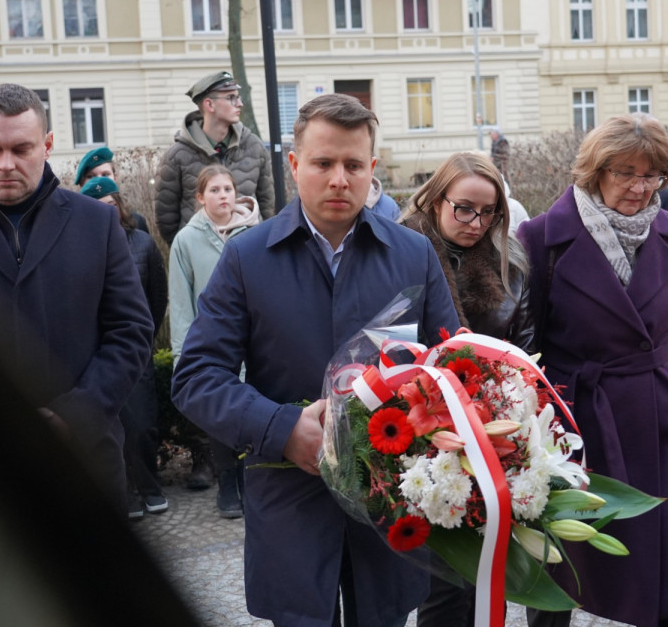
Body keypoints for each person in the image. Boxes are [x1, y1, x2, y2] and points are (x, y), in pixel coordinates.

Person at [171, 93, 460, 627]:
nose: (339, 180)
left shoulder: (413, 254)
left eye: (354, 165)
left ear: (372, 168)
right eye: (323, 163)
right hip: (292, 499)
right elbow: (196, 377)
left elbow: (453, 369)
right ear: (294, 164)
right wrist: (281, 428)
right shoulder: (247, 257)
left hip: (389, 505)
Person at [0, 84, 154, 506]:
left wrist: (73, 416)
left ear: (47, 145)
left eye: (21, 149)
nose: (6, 164)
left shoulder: (97, 223)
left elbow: (131, 330)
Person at [518, 114, 668, 627]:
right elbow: (529, 347)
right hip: (579, 420)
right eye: (625, 173)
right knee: (562, 565)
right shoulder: (541, 237)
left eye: (651, 176)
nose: (640, 188)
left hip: (665, 414)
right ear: (595, 171)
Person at [400, 152, 533, 627]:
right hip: (421, 435)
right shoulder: (400, 255)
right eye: (464, 209)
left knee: (486, 573)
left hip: (495, 432)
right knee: (440, 583)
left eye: (488, 212)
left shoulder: (509, 263)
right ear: (436, 200)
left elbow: (525, 348)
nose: (476, 223)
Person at [168, 165, 261, 518]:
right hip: (214, 342)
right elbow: (181, 303)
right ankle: (227, 484)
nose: (223, 196)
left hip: (254, 342)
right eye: (214, 190)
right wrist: (182, 356)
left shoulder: (255, 232)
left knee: (253, 412)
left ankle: (251, 481)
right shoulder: (186, 241)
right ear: (200, 198)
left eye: (228, 189)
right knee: (221, 413)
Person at [81, 175, 169, 519]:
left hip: (134, 349)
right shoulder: (79, 247)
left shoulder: (143, 243)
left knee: (142, 422)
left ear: (120, 205)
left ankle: (150, 486)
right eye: (98, 207)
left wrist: (143, 336)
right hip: (94, 353)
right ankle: (126, 492)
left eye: (111, 205)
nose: (107, 211)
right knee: (107, 424)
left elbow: (157, 296)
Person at [155, 71, 274, 245]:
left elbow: (267, 206)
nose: (240, 104)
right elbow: (166, 217)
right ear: (209, 104)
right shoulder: (177, 155)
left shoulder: (254, 146)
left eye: (238, 97)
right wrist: (189, 250)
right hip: (200, 251)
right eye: (231, 98)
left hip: (250, 249)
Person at [75, 146, 150, 233]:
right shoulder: (72, 224)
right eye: (91, 176)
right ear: (81, 184)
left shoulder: (137, 222)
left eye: (105, 175)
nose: (99, 180)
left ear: (115, 178)